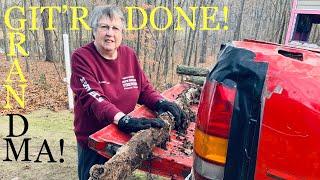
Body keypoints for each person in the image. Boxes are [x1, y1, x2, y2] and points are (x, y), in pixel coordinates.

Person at [70, 5, 186, 180]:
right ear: (94, 31)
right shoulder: (82, 57)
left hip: (124, 138)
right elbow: (94, 98)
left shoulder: (128, 55)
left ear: (121, 33)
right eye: (104, 27)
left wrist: (161, 103)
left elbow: (144, 89)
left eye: (115, 28)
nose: (110, 33)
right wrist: (123, 119)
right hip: (95, 141)